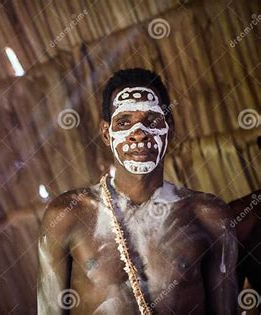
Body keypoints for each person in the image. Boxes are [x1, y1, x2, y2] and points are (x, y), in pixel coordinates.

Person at [37, 68, 238, 314]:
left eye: (152, 121)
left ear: (169, 129)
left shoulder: (209, 216)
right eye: (124, 122)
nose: (139, 133)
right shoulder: (67, 215)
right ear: (106, 132)